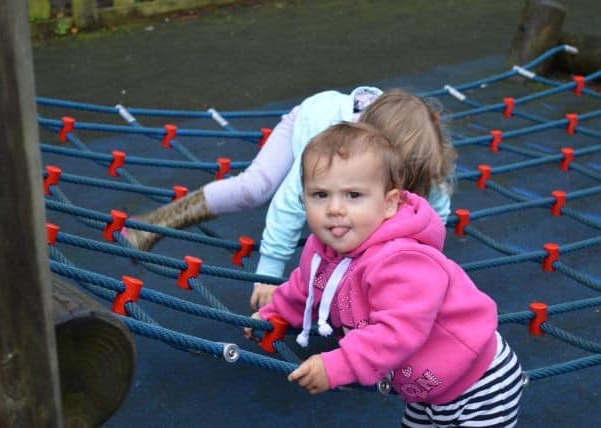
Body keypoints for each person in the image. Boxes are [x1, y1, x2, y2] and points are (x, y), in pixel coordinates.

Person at [245, 122, 523, 427]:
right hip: (425, 391)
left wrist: (339, 364)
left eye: (353, 195)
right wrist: (275, 313)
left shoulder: (402, 260)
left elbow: (398, 330)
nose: (335, 208)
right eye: (320, 194)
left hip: (479, 384)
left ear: (389, 203)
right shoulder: (322, 248)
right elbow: (306, 288)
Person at [120, 88, 456, 305]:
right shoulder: (330, 154)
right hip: (307, 123)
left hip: (373, 139)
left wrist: (421, 264)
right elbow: (288, 205)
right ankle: (158, 221)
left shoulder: (426, 168)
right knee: (253, 189)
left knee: (373, 227)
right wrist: (268, 276)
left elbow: (431, 218)